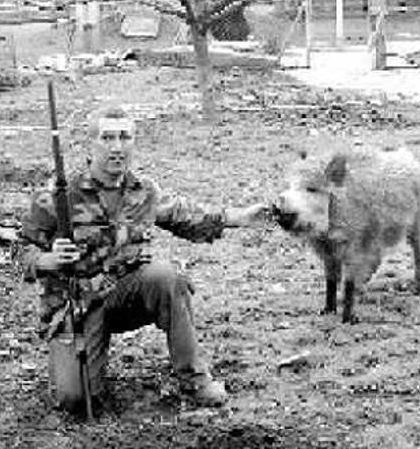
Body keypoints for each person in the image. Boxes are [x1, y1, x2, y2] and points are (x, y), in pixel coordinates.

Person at [19, 108, 268, 407]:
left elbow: (186, 216)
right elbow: (20, 249)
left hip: (125, 296)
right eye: (107, 137)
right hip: (78, 308)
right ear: (91, 145)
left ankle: (195, 381)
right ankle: (86, 373)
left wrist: (237, 217)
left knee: (167, 278)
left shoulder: (144, 192)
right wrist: (49, 260)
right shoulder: (58, 197)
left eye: (125, 137)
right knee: (75, 400)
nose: (117, 146)